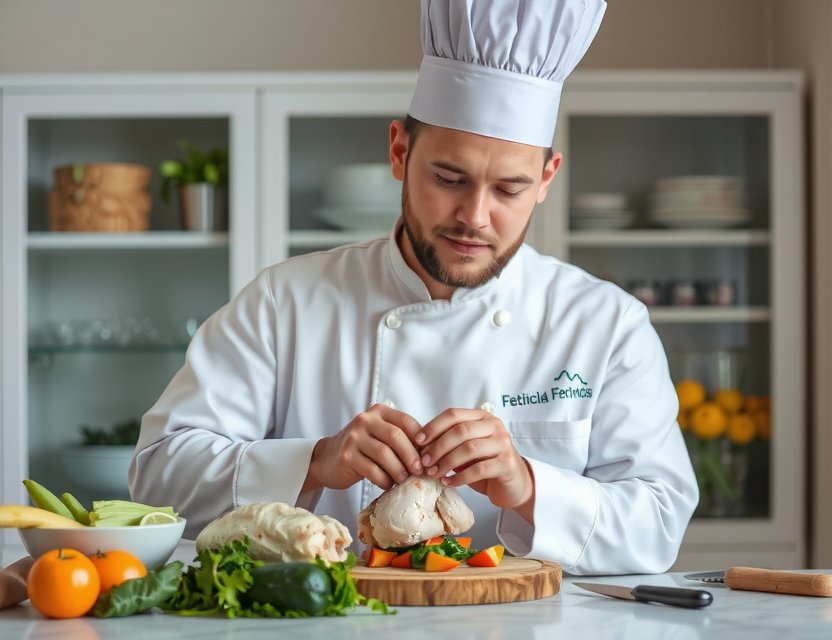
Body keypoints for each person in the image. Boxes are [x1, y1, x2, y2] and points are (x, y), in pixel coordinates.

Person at [131, 0, 699, 576]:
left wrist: (527, 485)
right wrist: (316, 461)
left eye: (510, 189)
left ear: (546, 179)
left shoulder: (606, 324)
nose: (475, 216)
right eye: (449, 179)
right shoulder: (285, 303)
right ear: (399, 152)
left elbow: (659, 523)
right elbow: (158, 478)